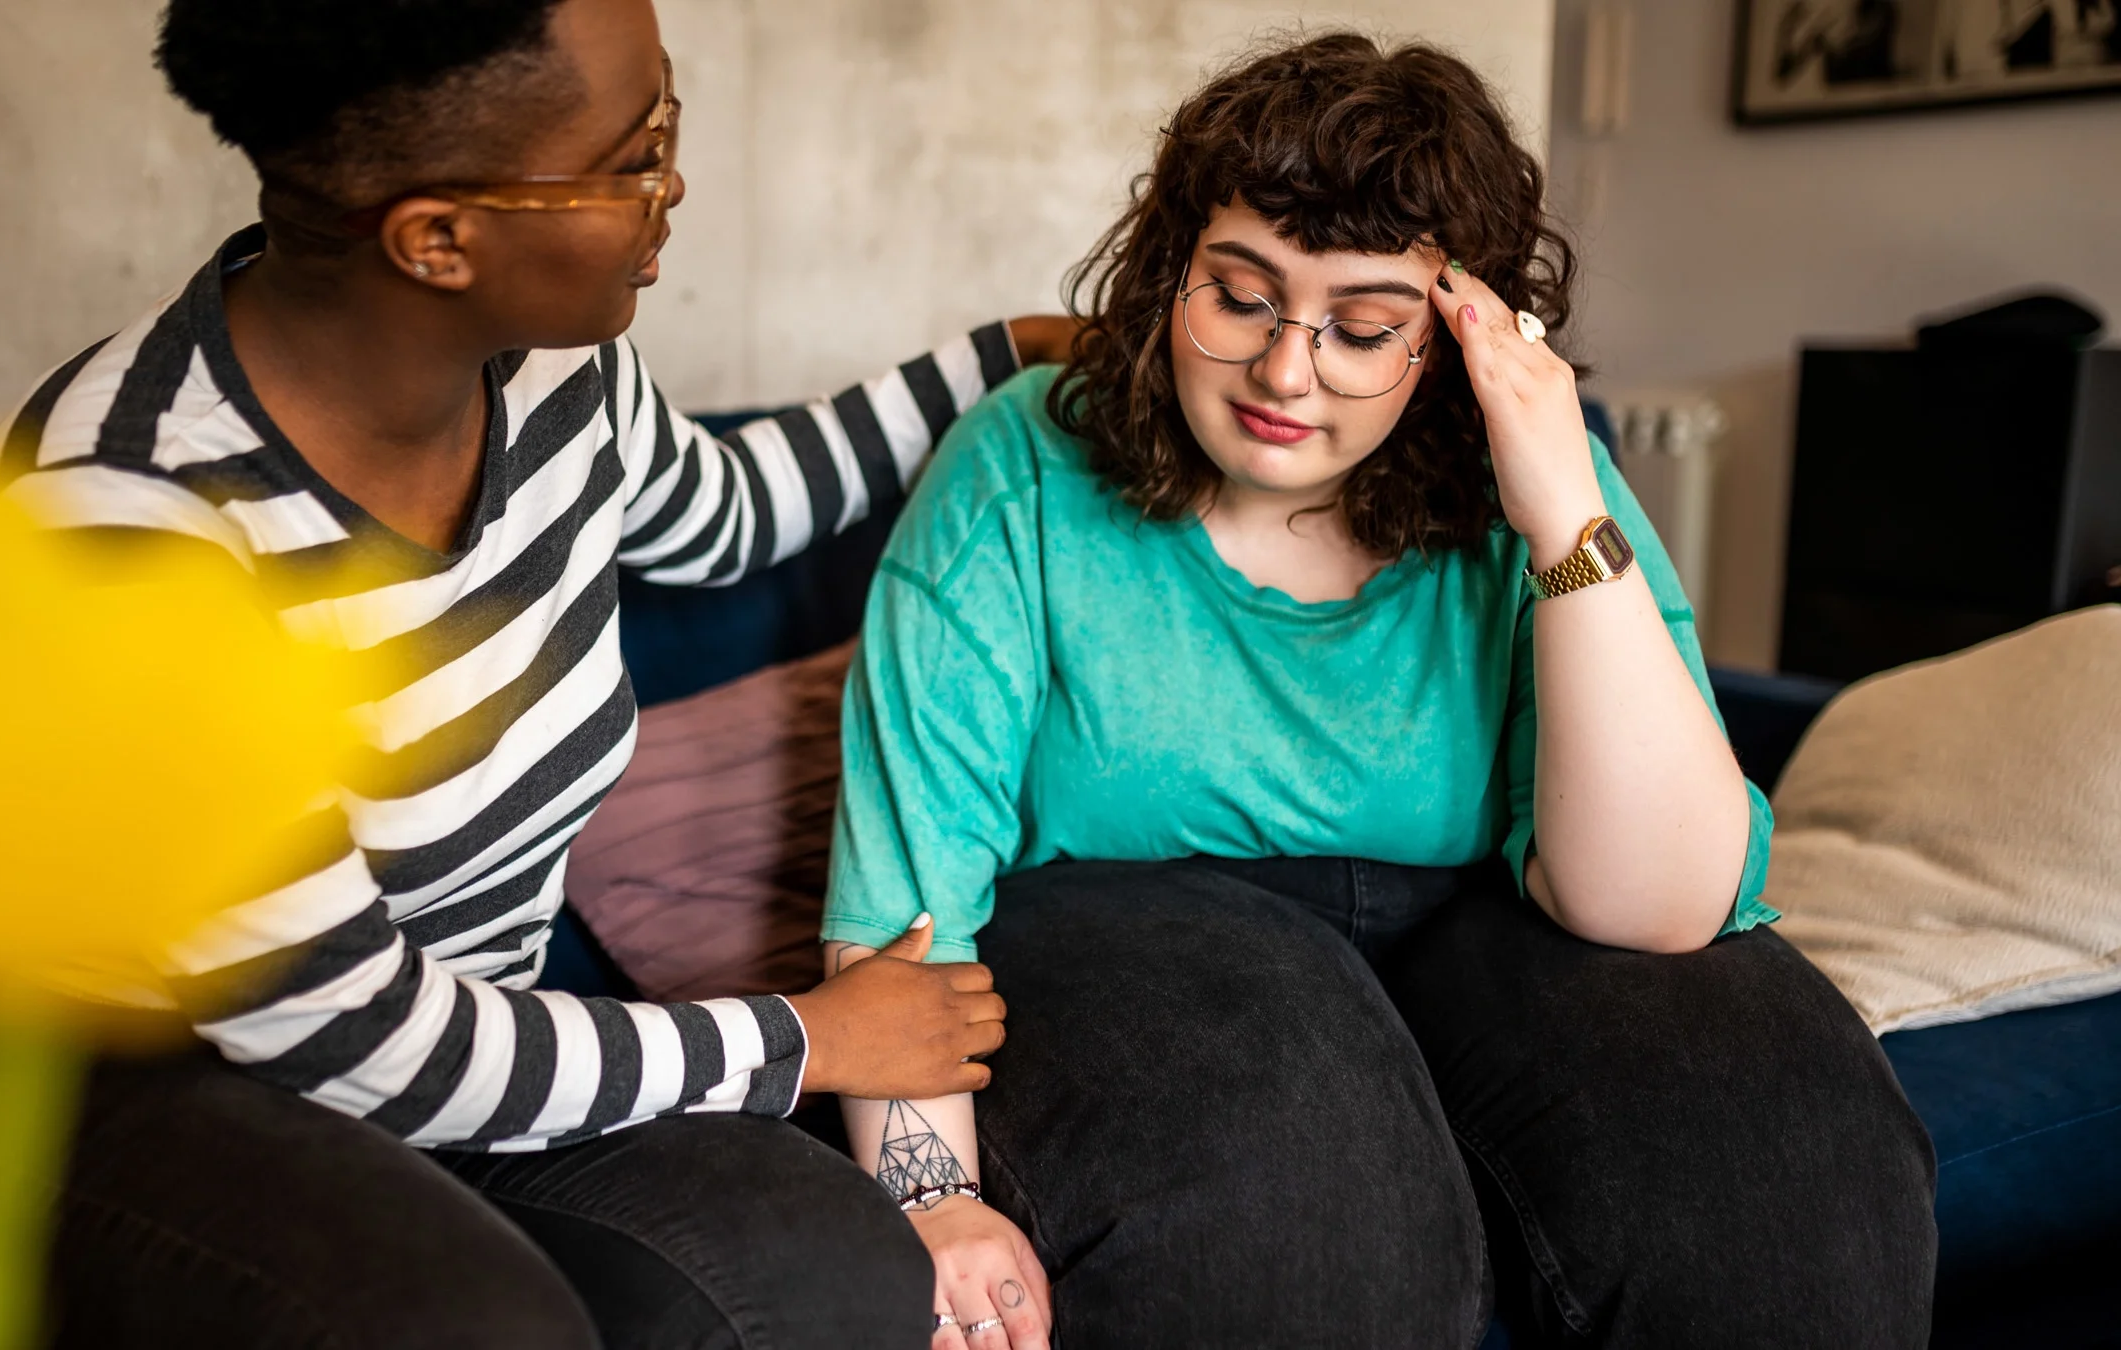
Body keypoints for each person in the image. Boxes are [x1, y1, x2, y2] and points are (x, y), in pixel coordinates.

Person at [0, 1, 1077, 1347]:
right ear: (437, 237)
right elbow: (360, 1030)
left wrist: (1008, 354)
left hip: (451, 1037)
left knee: (826, 1261)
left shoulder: (554, 381)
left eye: (669, 120)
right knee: (472, 1322)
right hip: (96, 1085)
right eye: (634, 153)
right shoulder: (134, 528)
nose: (674, 184)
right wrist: (807, 1039)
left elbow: (732, 514)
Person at [822, 33, 1937, 1350]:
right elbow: (907, 900)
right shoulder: (1023, 463)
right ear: (1169, 267)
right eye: (1239, 299)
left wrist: (1558, 505)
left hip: (1478, 926)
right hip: (1130, 933)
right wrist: (931, 1195)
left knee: (1796, 1165)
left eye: (1362, 329)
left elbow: (1656, 906)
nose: (1287, 374)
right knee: (1313, 1221)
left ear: (1460, 335)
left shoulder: (1533, 487)